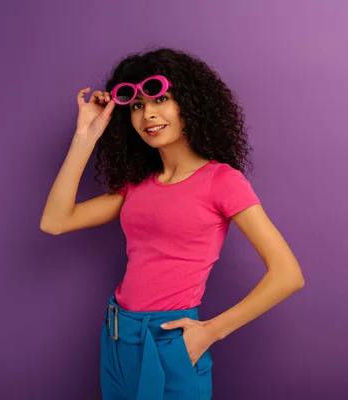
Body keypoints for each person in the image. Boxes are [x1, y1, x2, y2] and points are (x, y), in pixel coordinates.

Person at [40, 48, 305, 400]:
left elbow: (288, 274)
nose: (147, 114)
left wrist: (211, 331)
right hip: (118, 338)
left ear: (190, 104)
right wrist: (86, 135)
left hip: (169, 341)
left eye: (160, 98)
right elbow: (56, 221)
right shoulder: (137, 185)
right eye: (136, 105)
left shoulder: (221, 180)